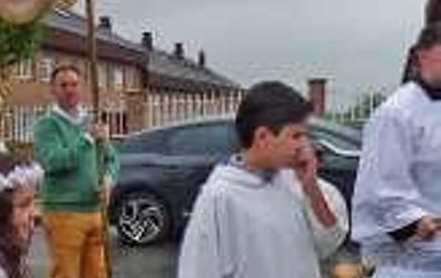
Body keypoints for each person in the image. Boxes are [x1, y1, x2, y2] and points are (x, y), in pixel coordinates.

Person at [177, 81, 349, 278]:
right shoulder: (219, 197)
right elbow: (199, 270)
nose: (304, 145)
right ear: (262, 137)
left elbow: (329, 242)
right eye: (296, 136)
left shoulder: (295, 181)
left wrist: (311, 187)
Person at [352, 22, 441, 277]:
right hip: (411, 265)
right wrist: (417, 221)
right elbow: (382, 191)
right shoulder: (396, 114)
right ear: (422, 56)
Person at [32, 64, 119, 278]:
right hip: (64, 211)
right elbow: (53, 162)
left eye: (74, 84)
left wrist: (108, 179)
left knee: (97, 273)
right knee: (66, 274)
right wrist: (87, 139)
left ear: (82, 88)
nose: (70, 89)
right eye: (63, 85)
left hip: (95, 210)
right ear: (53, 90)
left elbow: (112, 158)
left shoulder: (90, 122)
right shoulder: (47, 125)